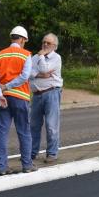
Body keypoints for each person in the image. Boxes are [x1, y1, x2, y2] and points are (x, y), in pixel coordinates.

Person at [0, 25, 36, 176]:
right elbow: (25, 76)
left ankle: (2, 167)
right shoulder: (25, 54)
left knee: (2, 133)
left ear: (12, 38)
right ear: (22, 39)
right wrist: (8, 86)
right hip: (20, 97)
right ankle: (27, 165)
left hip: (3, 98)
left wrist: (0, 93)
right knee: (24, 131)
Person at [29, 33, 63, 165]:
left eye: (48, 43)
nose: (45, 44)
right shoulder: (35, 57)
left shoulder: (56, 58)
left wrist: (41, 58)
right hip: (36, 94)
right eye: (44, 42)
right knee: (33, 125)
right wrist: (39, 74)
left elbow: (45, 68)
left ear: (54, 46)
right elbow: (28, 73)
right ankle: (32, 152)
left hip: (51, 93)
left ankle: (52, 153)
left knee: (51, 125)